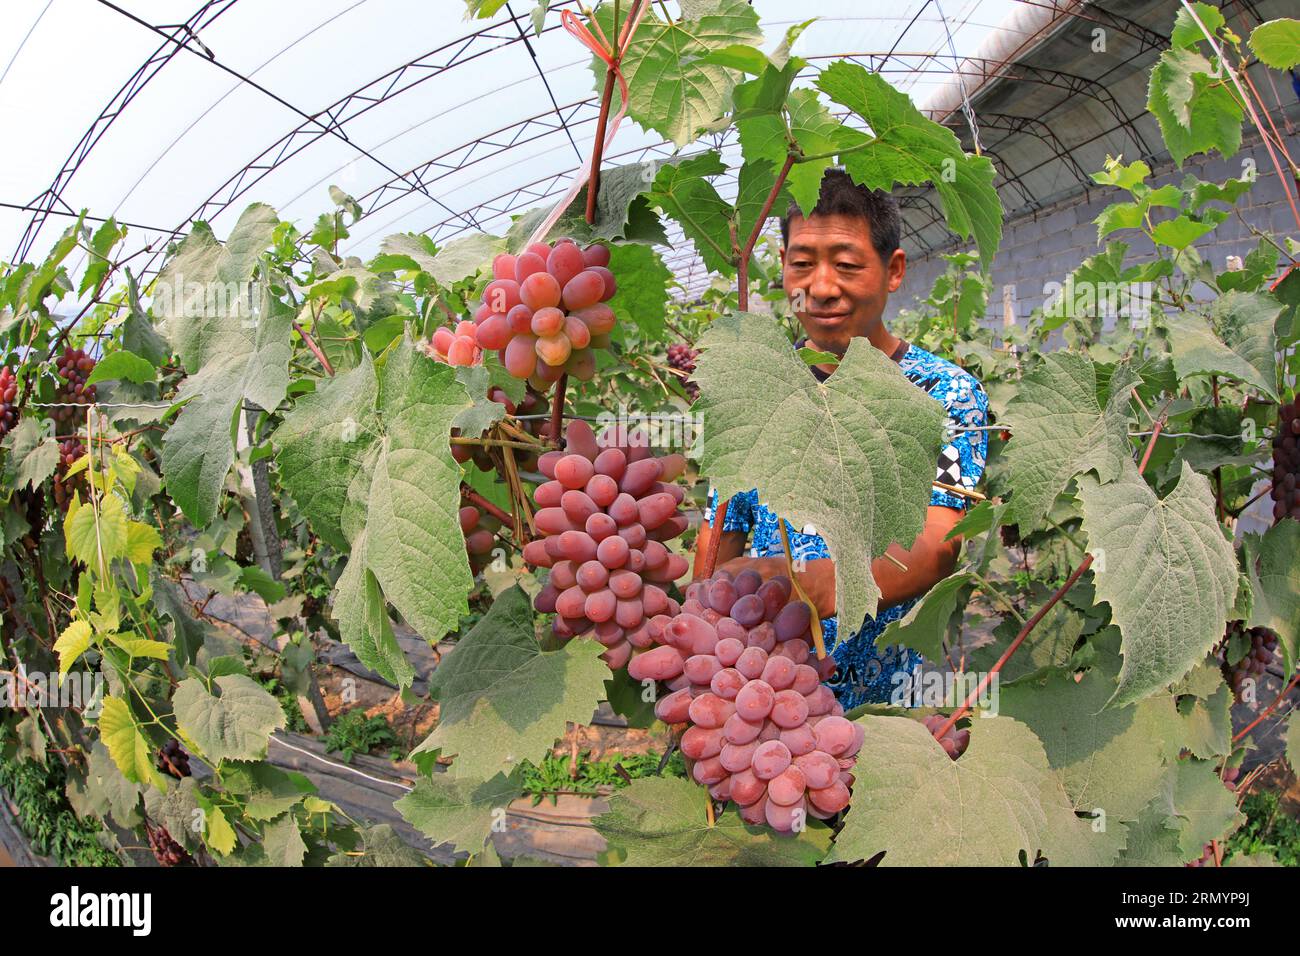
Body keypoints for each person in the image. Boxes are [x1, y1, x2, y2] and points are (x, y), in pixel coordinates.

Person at [698, 168, 990, 710]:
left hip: (884, 712)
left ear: (893, 270)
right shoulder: (756, 384)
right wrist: (699, 633)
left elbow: (936, 545)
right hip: (760, 696)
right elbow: (721, 534)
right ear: (783, 270)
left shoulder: (942, 390)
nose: (822, 287)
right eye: (802, 264)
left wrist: (798, 586)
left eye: (848, 265)